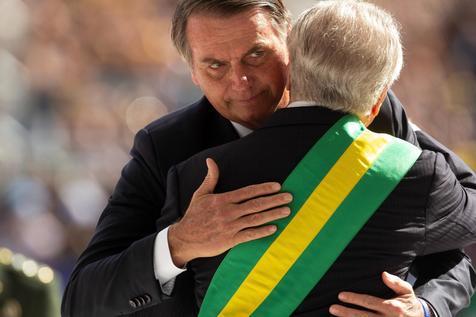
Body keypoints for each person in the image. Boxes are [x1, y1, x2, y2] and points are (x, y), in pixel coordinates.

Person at [61, 0, 476, 316]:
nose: (239, 81)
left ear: (288, 43)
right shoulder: (167, 147)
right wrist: (178, 244)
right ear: (191, 70)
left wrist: (424, 307)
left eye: (255, 55)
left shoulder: (371, 105)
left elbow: (458, 251)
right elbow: (82, 297)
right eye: (215, 65)